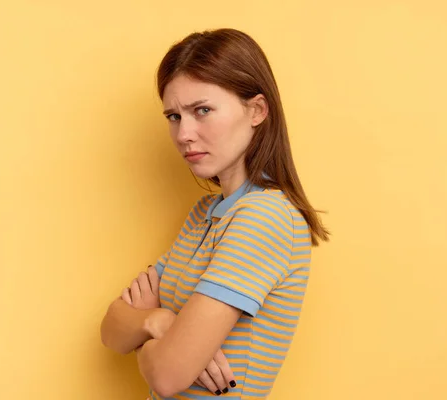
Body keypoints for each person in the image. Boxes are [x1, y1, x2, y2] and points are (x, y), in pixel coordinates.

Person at [100, 28, 330, 399]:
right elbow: (111, 331)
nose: (184, 133)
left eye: (202, 110)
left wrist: (149, 335)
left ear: (256, 110)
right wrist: (159, 321)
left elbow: (167, 377)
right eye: (173, 116)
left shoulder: (264, 217)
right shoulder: (206, 214)